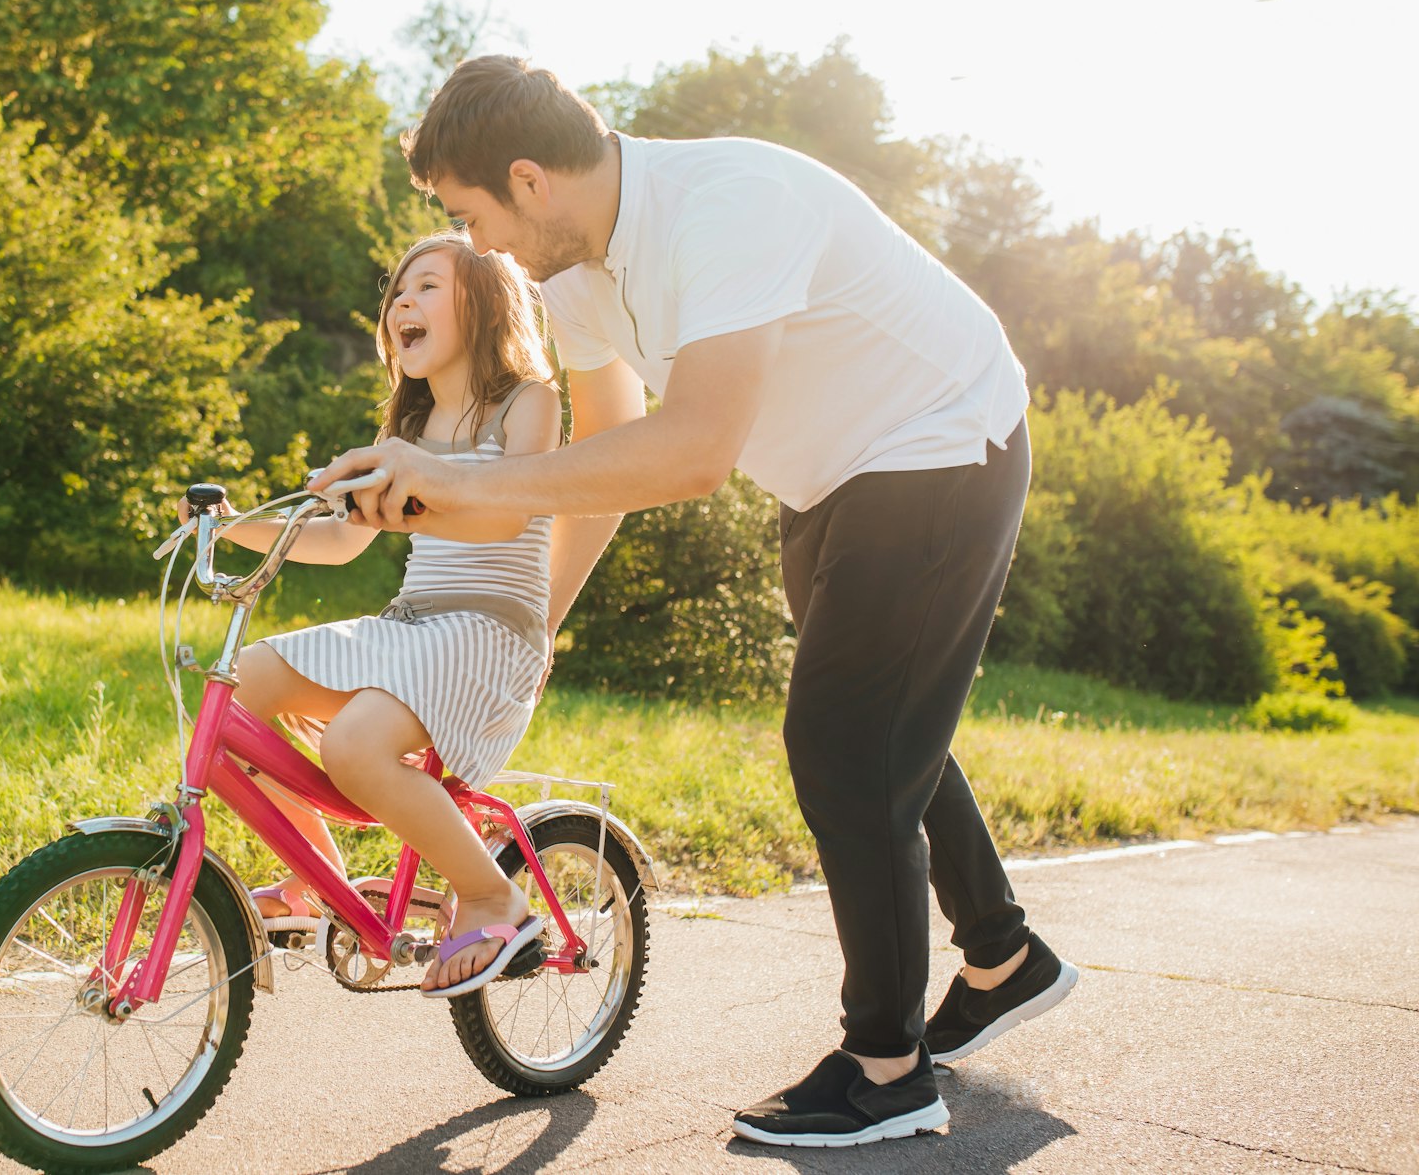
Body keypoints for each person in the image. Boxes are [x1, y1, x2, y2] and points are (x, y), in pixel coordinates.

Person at [311, 56, 1079, 1146]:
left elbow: (690, 452)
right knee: (883, 719)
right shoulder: (569, 273)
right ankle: (1001, 956)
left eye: (470, 215)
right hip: (826, 476)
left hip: (941, 438)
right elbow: (608, 455)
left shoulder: (727, 207)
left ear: (528, 180)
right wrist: (537, 613)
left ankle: (886, 1072)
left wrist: (470, 481)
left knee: (842, 741)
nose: (474, 247)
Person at [181, 229, 563, 996]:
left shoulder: (529, 404)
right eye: (397, 293)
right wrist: (232, 524)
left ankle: (493, 893)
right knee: (237, 686)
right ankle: (314, 877)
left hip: (492, 630)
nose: (401, 304)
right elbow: (340, 542)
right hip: (413, 622)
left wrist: (404, 504)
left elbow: (506, 518)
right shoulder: (408, 428)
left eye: (425, 286)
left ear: (484, 304)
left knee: (355, 744)